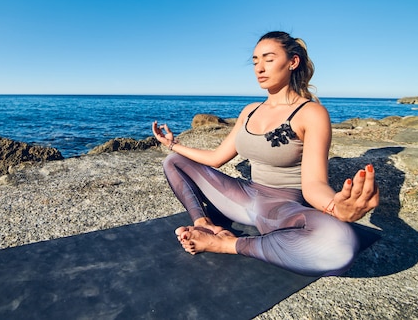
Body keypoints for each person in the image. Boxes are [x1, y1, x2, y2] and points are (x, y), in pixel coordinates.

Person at [151, 31, 379, 276]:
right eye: (255, 60)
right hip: (244, 197)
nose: (259, 67)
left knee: (339, 245)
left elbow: (313, 185)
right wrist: (172, 145)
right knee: (173, 162)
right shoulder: (249, 110)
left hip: (282, 207)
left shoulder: (311, 113)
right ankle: (204, 223)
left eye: (268, 59)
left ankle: (227, 244)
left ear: (293, 62)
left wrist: (335, 207)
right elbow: (217, 158)